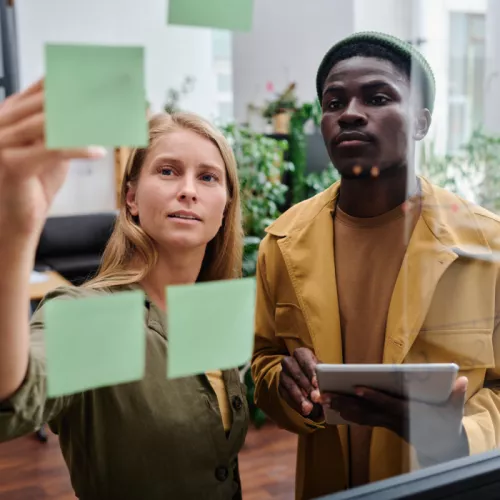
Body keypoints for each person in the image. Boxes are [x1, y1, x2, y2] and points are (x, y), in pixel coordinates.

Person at [252, 31, 500, 500]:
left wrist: (453, 433)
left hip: (450, 483)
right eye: (333, 102)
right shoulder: (283, 242)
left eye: (378, 97)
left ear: (421, 121)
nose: (348, 113)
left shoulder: (487, 243)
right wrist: (284, 383)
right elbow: (264, 362)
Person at [0, 80, 249, 499]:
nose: (188, 189)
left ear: (225, 207)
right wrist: (13, 233)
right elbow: (14, 397)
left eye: (208, 177)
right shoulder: (97, 319)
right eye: (168, 171)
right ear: (131, 197)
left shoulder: (215, 308)